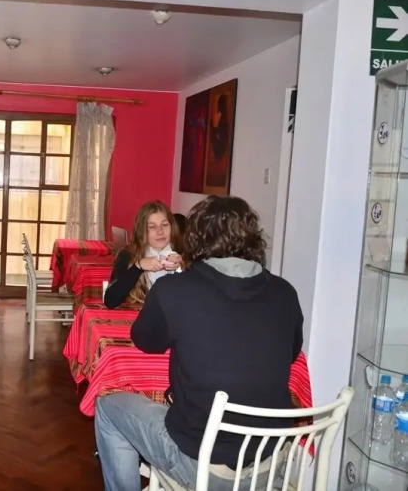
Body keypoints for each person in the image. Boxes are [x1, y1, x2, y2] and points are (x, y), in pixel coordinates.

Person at [94, 195, 304, 491]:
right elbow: (292, 354)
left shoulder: (174, 290)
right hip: (273, 461)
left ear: (195, 238)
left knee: (107, 406)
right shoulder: (285, 292)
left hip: (206, 466)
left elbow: (145, 340)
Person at [104, 201, 184, 309]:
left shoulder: (183, 253)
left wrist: (183, 267)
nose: (160, 231)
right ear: (142, 231)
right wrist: (138, 267)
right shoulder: (128, 255)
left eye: (164, 225)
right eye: (152, 227)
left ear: (172, 227)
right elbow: (110, 300)